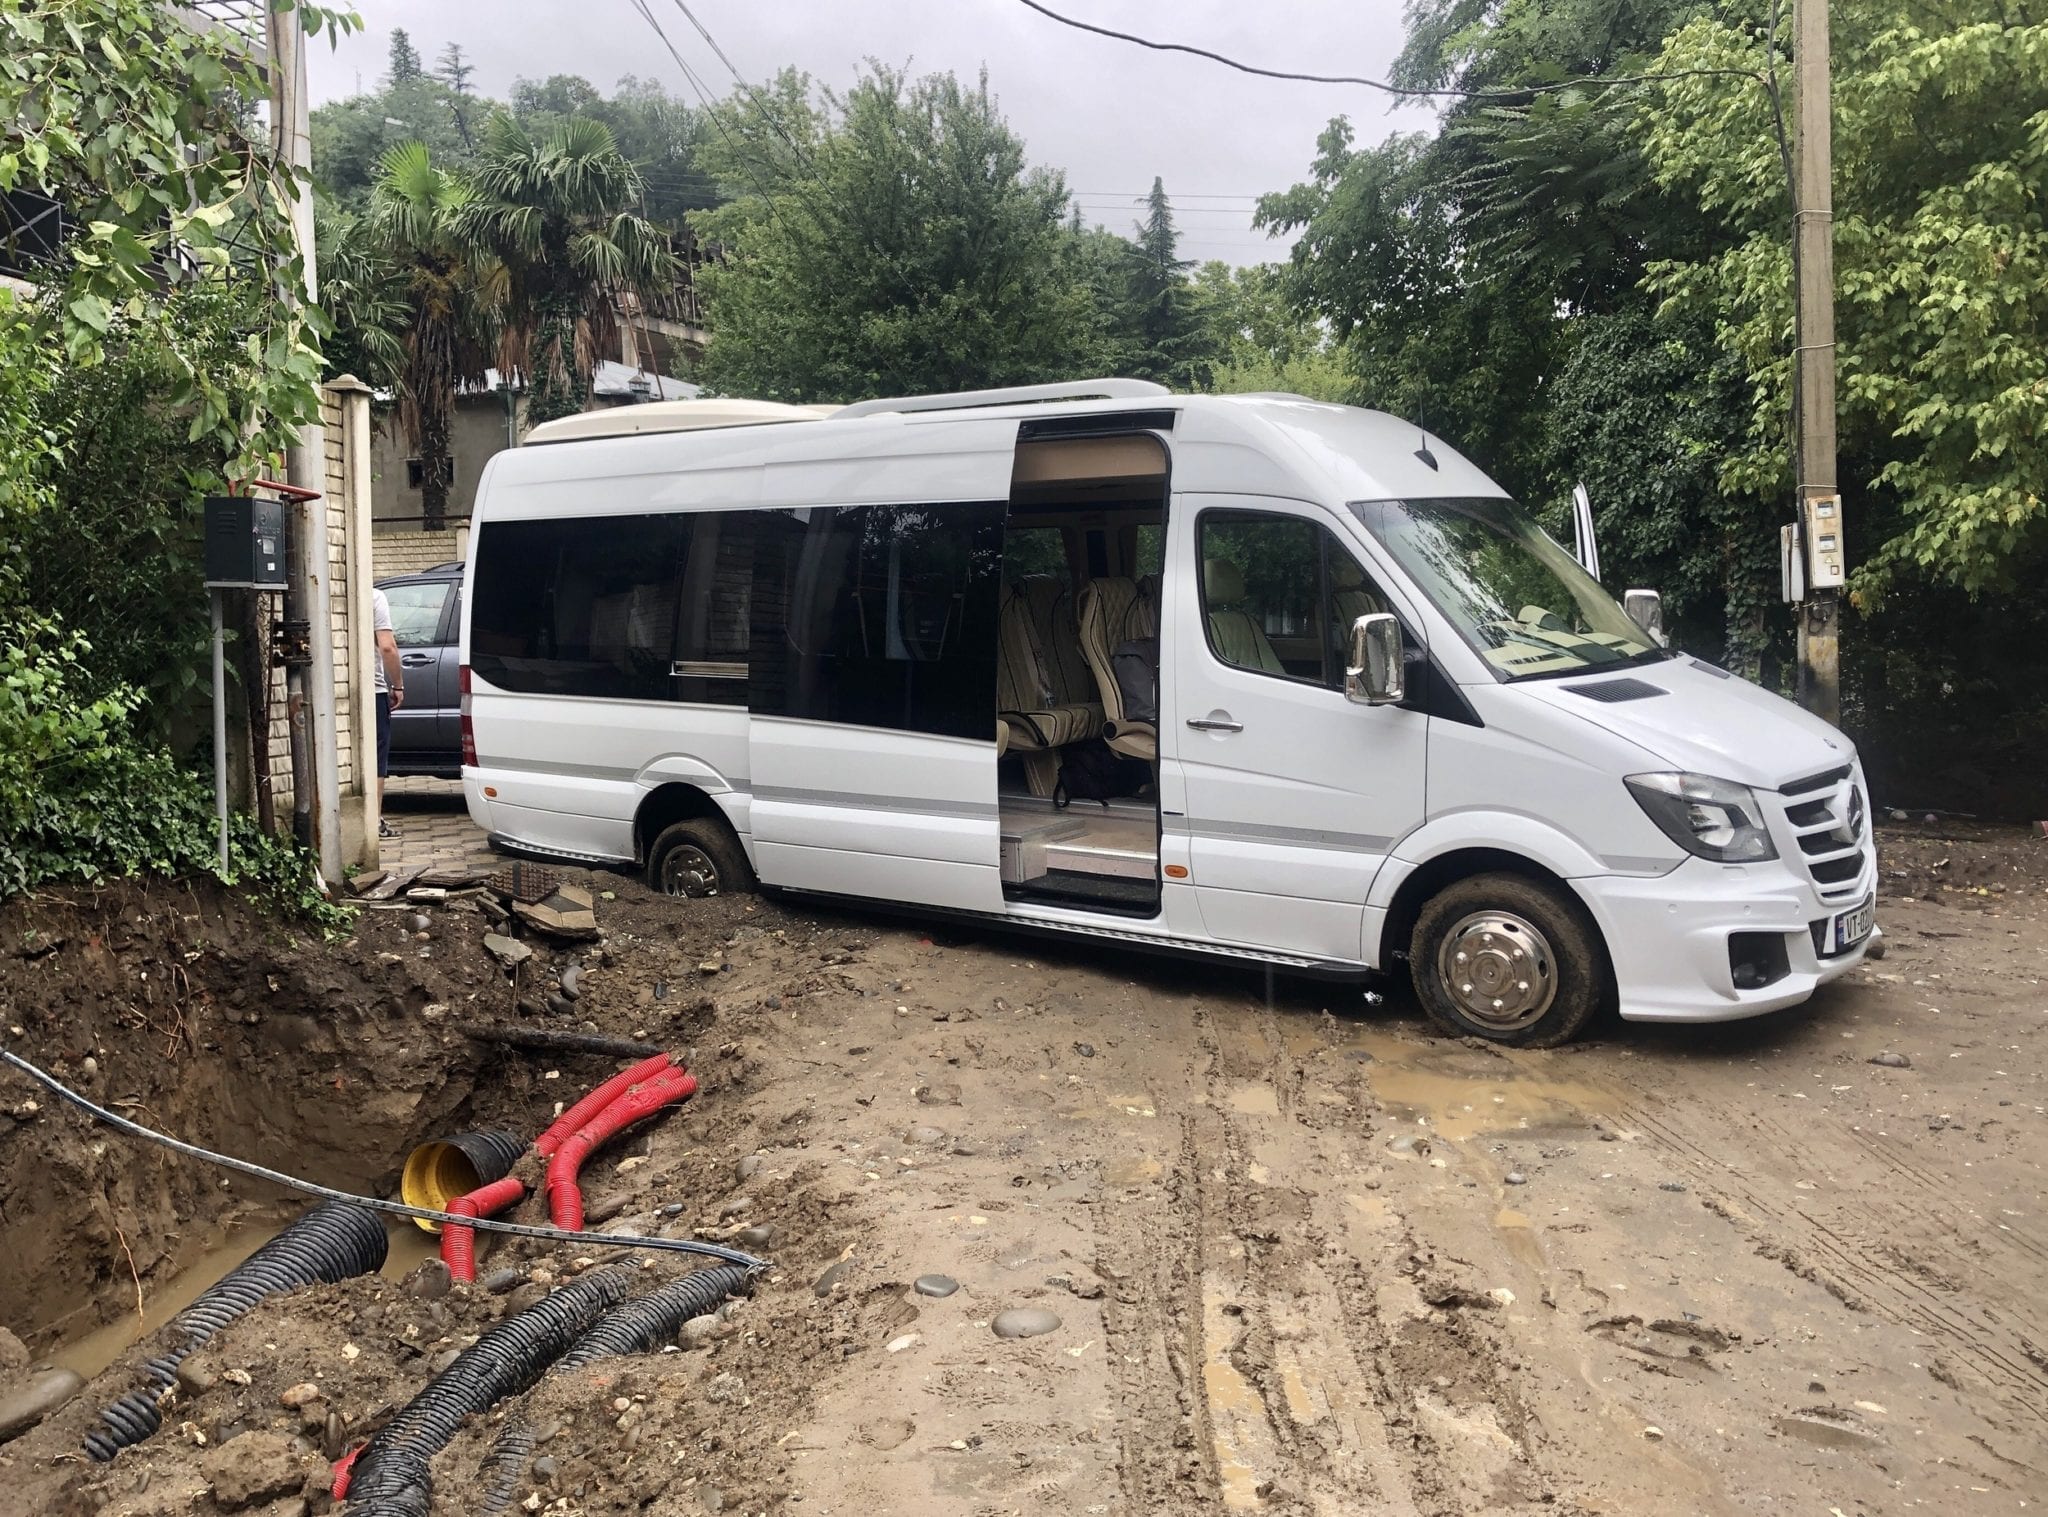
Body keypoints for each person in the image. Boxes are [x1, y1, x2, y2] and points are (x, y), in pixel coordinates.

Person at [374, 587, 403, 840]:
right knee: (376, 759)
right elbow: (387, 647)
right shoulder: (375, 597)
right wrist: (398, 685)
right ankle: (373, 820)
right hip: (372, 691)